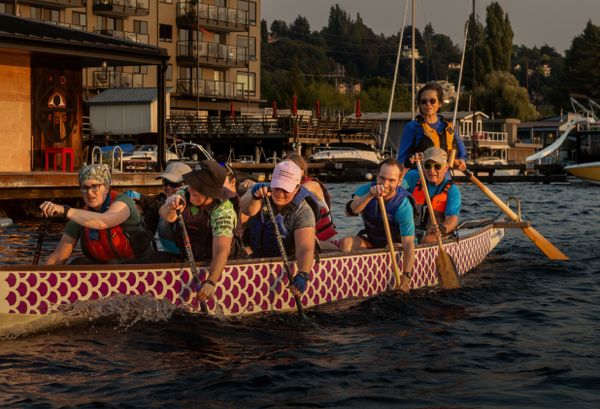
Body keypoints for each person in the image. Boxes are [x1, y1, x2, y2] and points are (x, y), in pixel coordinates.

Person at [39, 164, 156, 265]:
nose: (89, 192)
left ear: (106, 187)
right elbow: (58, 256)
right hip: (105, 271)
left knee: (112, 263)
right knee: (77, 263)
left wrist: (64, 210)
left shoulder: (124, 203)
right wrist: (39, 279)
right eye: (85, 187)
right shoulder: (80, 217)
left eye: (95, 186)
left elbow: (103, 222)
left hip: (138, 266)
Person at [159, 160, 240, 301]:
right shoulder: (186, 192)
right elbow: (165, 215)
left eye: (196, 189)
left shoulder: (223, 210)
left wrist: (211, 282)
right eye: (190, 185)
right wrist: (170, 205)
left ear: (210, 193)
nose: (190, 190)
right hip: (189, 257)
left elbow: (222, 249)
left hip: (219, 263)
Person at [240, 160, 316, 296]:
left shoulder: (304, 212)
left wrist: (303, 273)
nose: (280, 193)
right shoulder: (261, 191)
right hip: (257, 254)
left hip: (288, 257)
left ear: (297, 188)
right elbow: (247, 210)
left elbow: (305, 248)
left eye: (286, 189)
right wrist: (253, 196)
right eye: (277, 187)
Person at [340, 158, 414, 291]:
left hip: (396, 244)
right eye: (382, 178)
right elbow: (350, 212)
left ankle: (385, 280)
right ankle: (346, 282)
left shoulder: (403, 205)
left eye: (391, 180)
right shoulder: (365, 190)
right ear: (377, 176)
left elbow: (409, 243)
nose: (385, 184)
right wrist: (369, 195)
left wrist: (407, 276)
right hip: (373, 241)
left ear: (399, 181)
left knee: (392, 246)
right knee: (346, 242)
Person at [396, 82, 467, 172]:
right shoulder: (412, 127)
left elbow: (462, 152)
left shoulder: (448, 127)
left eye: (432, 101)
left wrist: (461, 161)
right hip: (420, 179)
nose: (428, 104)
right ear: (420, 105)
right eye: (424, 101)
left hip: (443, 179)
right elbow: (401, 158)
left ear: (440, 103)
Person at [403, 147, 461, 244]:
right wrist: (406, 167)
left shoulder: (452, 190)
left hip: (436, 234)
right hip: (411, 232)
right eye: (427, 166)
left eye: (437, 166)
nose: (431, 170)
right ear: (422, 166)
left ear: (446, 168)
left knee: (427, 240)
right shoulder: (413, 176)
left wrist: (442, 229)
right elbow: (395, 186)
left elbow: (452, 218)